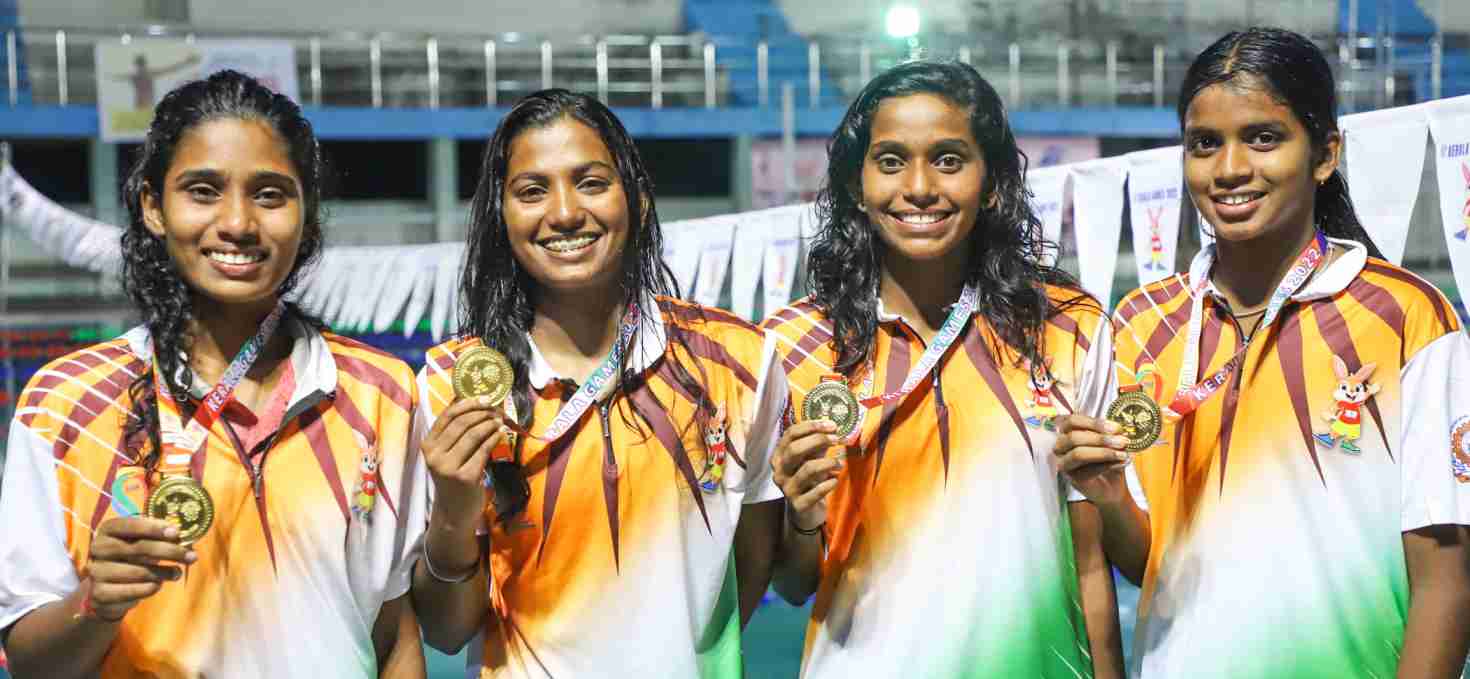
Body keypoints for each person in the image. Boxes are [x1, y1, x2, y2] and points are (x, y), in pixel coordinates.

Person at [1057, 27, 1470, 678]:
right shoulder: (1139, 323)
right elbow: (1151, 566)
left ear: (1325, 154)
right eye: (1205, 143)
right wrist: (1110, 499)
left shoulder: (1408, 317)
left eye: (1263, 138)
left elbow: (1447, 578)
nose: (1229, 169)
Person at [0, 70, 426, 678]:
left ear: (307, 213)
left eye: (270, 195)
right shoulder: (63, 404)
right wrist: (96, 602)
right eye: (203, 191)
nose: (238, 223)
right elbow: (30, 661)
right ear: (153, 206)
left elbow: (394, 630)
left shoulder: (382, 393)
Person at [763, 59, 1130, 677]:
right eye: (890, 161)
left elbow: (1089, 561)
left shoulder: (1067, 327)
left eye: (949, 160)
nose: (919, 187)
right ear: (856, 185)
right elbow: (795, 585)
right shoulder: (793, 344)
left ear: (992, 184)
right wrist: (801, 520)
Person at [409, 89, 785, 677]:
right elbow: (447, 630)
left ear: (636, 198)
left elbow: (751, 563)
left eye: (590, 182)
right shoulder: (450, 386)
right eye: (532, 191)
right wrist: (455, 513)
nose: (564, 212)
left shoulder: (740, 361)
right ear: (500, 216)